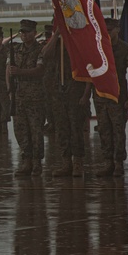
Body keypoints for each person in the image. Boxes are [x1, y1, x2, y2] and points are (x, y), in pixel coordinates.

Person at [41, 30, 90, 177]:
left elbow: (89, 70)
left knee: (76, 129)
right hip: (58, 92)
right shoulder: (56, 43)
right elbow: (44, 54)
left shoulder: (80, 42)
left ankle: (78, 164)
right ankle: (66, 162)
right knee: (62, 129)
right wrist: (56, 35)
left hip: (75, 90)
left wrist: (86, 94)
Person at [96, 18, 128, 177]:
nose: (107, 32)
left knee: (118, 131)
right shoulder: (99, 48)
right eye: (105, 29)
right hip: (100, 96)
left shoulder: (125, 49)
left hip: (118, 96)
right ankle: (108, 163)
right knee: (104, 130)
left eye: (110, 29)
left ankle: (119, 163)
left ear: (118, 30)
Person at [8, 20, 46, 177]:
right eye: (22, 32)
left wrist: (20, 72)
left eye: (27, 32)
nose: (24, 35)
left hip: (35, 97)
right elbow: (9, 70)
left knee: (36, 131)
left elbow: (40, 71)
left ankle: (37, 163)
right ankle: (26, 160)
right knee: (21, 130)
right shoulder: (16, 49)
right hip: (19, 96)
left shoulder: (40, 50)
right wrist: (10, 90)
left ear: (34, 32)